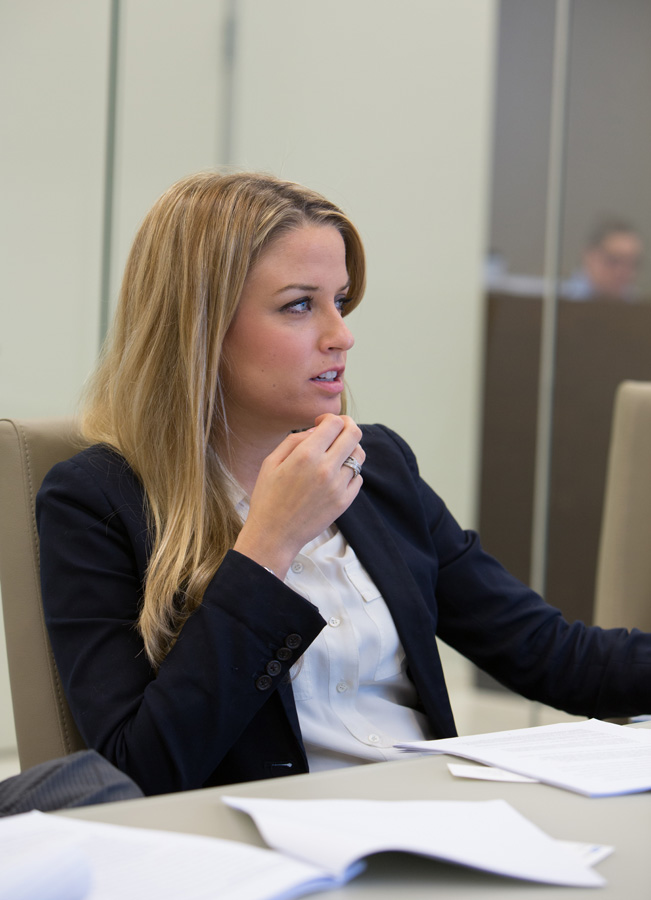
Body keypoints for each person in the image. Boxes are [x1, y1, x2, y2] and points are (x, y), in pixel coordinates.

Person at [36, 172, 651, 797]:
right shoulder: (96, 503)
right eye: (300, 304)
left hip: (435, 821)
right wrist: (268, 546)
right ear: (200, 328)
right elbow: (138, 770)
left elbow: (552, 654)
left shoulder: (376, 466)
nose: (342, 334)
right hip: (261, 854)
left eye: (342, 300)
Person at [562, 217, 644, 301]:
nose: (623, 272)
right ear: (589, 256)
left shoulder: (639, 305)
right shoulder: (553, 302)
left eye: (632, 264)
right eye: (613, 261)